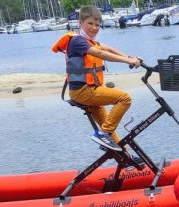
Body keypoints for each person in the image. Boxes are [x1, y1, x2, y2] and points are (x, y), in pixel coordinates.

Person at [52, 5, 141, 151]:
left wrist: (128, 56)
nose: (94, 28)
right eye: (90, 24)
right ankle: (103, 134)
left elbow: (106, 49)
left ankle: (126, 159)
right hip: (83, 91)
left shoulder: (91, 41)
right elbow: (100, 54)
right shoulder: (77, 41)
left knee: (109, 127)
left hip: (91, 90)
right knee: (124, 98)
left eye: (97, 25)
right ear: (80, 22)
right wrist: (127, 61)